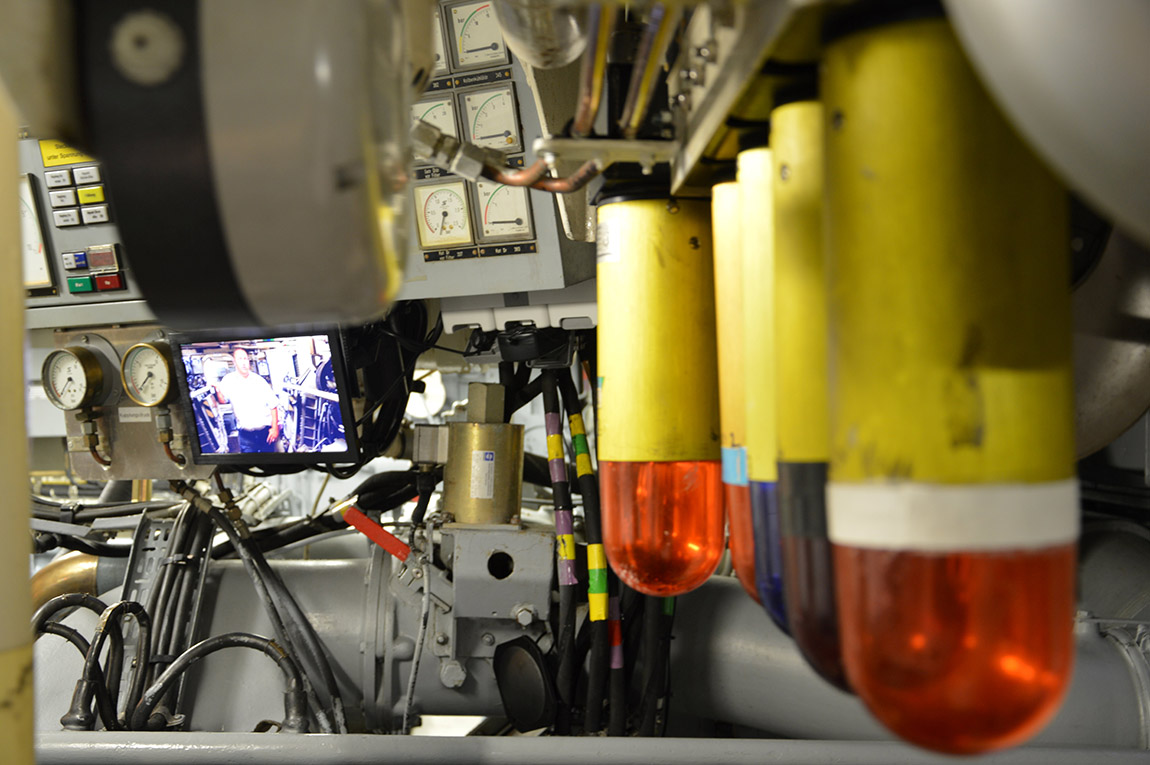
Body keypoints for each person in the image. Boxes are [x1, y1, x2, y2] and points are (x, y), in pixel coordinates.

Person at [215, 347, 280, 453]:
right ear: (234, 362)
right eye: (240, 359)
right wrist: (217, 389)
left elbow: (273, 405)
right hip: (245, 435)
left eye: (245, 359)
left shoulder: (259, 380)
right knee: (250, 464)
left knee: (269, 465)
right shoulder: (228, 381)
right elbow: (223, 400)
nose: (244, 362)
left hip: (265, 433)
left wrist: (275, 428)